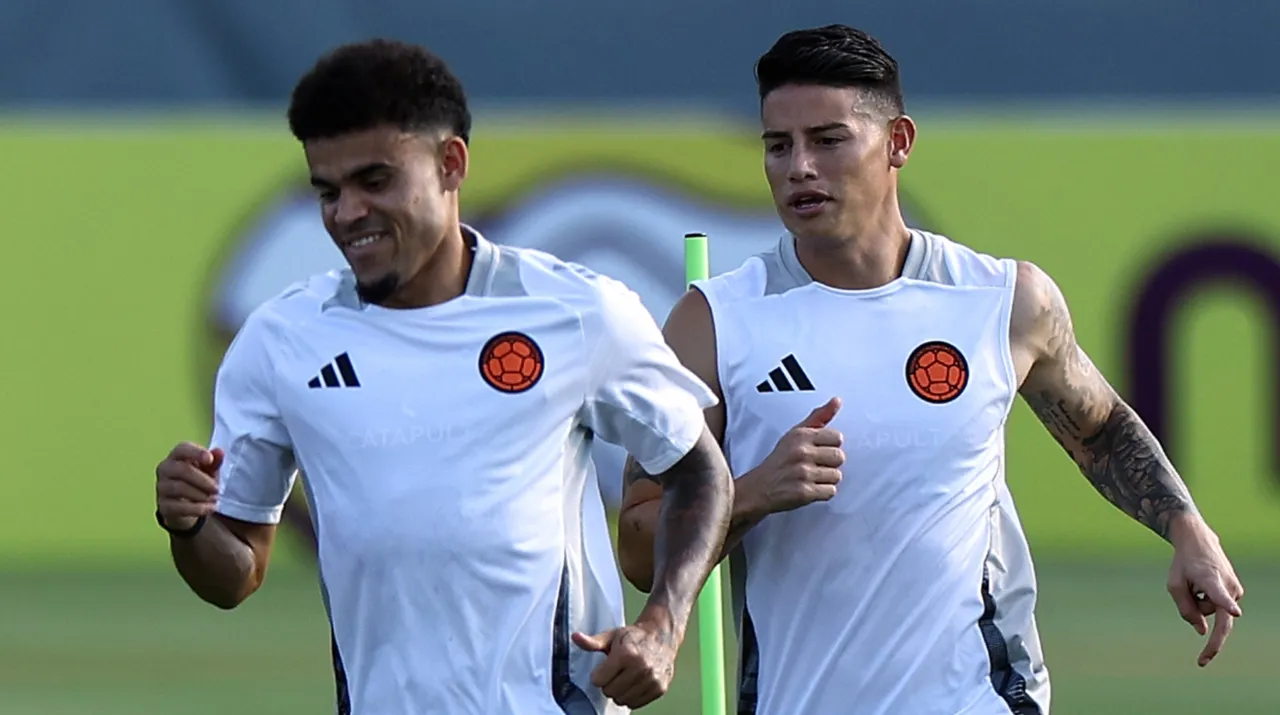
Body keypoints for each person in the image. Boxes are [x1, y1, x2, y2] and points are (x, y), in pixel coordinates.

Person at [615, 24, 1245, 715]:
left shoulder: (1004, 300)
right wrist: (756, 490)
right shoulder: (713, 322)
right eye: (778, 144)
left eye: (828, 140)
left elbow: (1099, 428)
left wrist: (1189, 530)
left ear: (899, 143)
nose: (799, 166)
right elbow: (641, 552)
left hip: (980, 698)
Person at [152, 38, 734, 715]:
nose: (347, 213)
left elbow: (699, 469)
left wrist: (663, 624)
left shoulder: (577, 312)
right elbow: (237, 571)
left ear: (451, 163)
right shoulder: (281, 341)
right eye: (328, 191)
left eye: (375, 181)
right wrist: (187, 523)